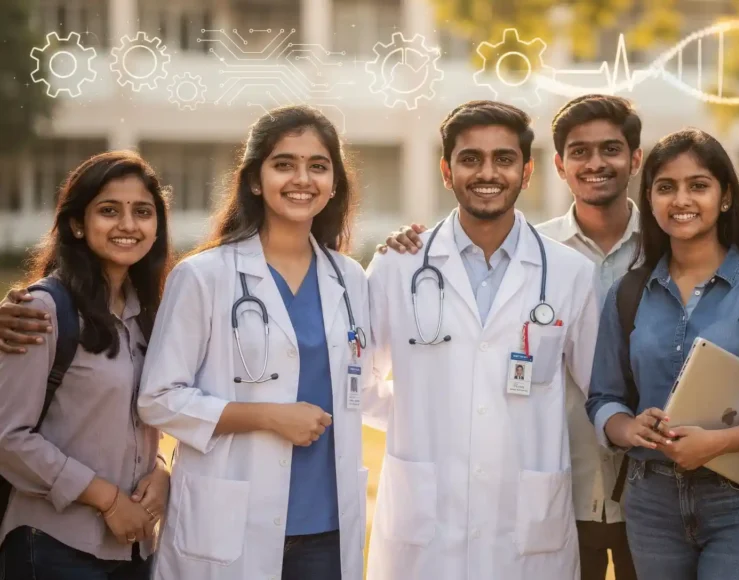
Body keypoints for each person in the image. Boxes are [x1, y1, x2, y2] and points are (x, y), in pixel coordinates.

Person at [375, 93, 644, 580]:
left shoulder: (567, 272)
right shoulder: (397, 265)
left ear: (527, 172)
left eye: (504, 159)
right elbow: (360, 386)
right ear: (445, 170)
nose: (487, 173)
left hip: (527, 522)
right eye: (470, 159)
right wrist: (422, 408)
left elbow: (597, 387)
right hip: (426, 516)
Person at [138, 105, 369, 580]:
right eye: (284, 163)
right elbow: (158, 399)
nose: (302, 178)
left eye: (318, 166)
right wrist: (267, 416)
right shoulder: (204, 276)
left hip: (328, 527)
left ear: (334, 184)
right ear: (255, 180)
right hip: (229, 522)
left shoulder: (350, 279)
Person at [586, 127, 739, 579]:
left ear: (724, 198)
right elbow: (604, 399)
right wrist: (628, 428)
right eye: (666, 187)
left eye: (698, 185)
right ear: (651, 200)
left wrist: (719, 443)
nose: (681, 199)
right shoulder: (628, 293)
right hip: (651, 502)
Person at [0, 151, 171, 579]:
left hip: (135, 549)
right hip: (55, 547)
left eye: (143, 212)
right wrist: (108, 499)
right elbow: (8, 437)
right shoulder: (41, 310)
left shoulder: (152, 316)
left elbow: (140, 422)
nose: (128, 225)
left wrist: (162, 473)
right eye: (109, 210)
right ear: (77, 224)